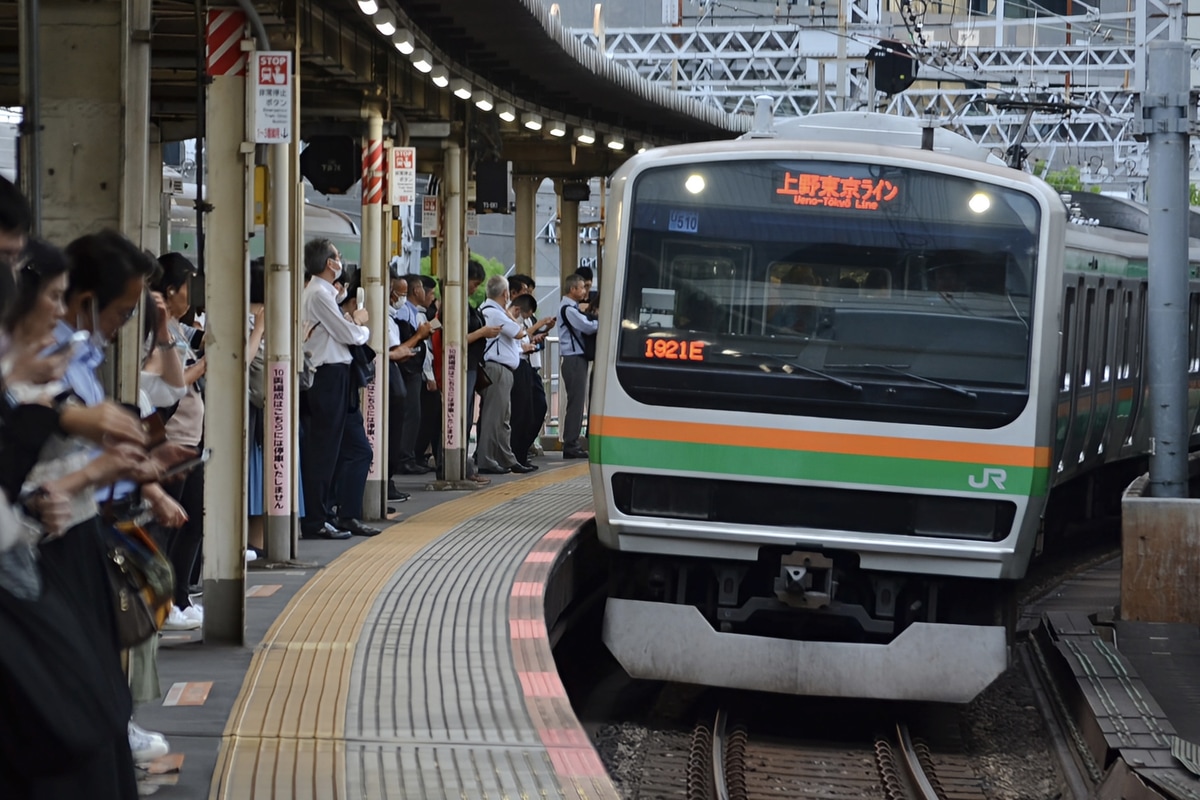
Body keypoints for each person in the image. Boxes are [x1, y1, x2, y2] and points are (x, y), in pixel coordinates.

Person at [298, 239, 378, 539]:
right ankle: (317, 519)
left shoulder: (324, 293)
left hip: (338, 377)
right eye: (338, 257)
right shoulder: (318, 293)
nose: (341, 260)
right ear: (329, 264)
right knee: (323, 451)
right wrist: (360, 324)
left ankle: (344, 514)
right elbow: (348, 334)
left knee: (357, 449)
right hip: (327, 378)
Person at [152, 252, 208, 630]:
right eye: (189, 286)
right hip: (172, 438)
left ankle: (181, 596)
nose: (194, 294)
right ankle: (167, 601)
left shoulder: (176, 328)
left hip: (189, 436)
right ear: (170, 291)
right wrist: (205, 365)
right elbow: (171, 384)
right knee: (173, 523)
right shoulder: (161, 332)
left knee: (191, 523)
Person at [476, 275, 533, 474]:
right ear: (506, 294)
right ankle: (487, 459)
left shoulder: (486, 309)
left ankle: (506, 457)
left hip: (499, 369)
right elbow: (519, 332)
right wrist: (510, 316)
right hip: (498, 369)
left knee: (502, 417)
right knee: (494, 418)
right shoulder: (496, 313)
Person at [557, 273, 598, 459]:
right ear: (572, 289)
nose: (584, 291)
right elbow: (587, 327)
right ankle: (571, 444)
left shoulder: (571, 308)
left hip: (575, 360)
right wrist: (601, 321)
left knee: (577, 402)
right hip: (573, 359)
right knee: (576, 403)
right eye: (582, 287)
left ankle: (571, 442)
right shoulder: (568, 309)